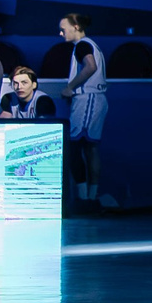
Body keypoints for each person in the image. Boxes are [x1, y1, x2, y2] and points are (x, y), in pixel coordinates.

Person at [58, 12, 107, 206]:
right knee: (90, 148)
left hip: (88, 98)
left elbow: (90, 66)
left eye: (63, 29)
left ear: (76, 27)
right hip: (94, 98)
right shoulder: (90, 45)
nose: (61, 34)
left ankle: (85, 197)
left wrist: (70, 87)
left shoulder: (82, 45)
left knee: (76, 146)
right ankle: (90, 196)